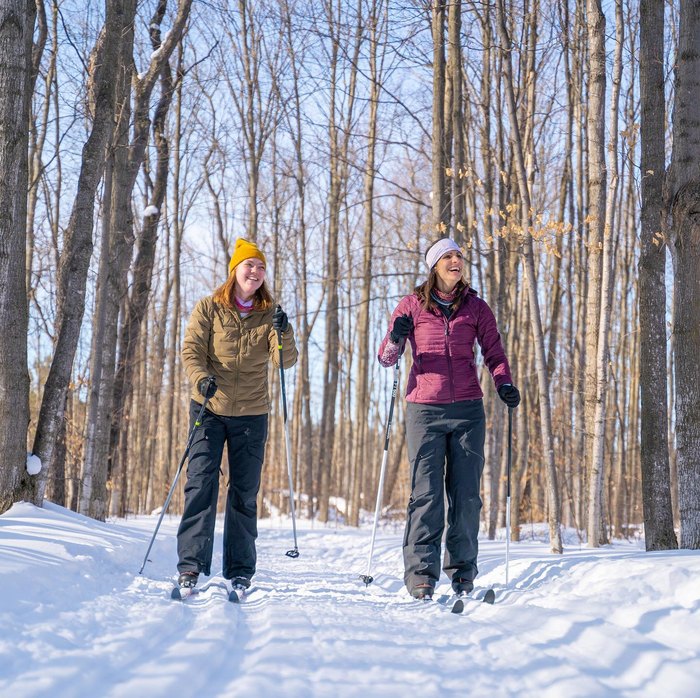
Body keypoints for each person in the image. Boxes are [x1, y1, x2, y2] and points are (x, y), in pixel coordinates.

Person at [377, 237, 520, 600]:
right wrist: (395, 337)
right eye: (448, 256)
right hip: (424, 409)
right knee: (426, 494)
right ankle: (421, 575)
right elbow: (386, 358)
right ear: (435, 265)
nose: (456, 261)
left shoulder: (476, 307)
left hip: (468, 410)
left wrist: (503, 383)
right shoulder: (411, 305)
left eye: (459, 255)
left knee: (467, 495)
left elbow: (494, 352)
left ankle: (462, 572)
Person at [175, 237, 298, 594]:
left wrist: (284, 331)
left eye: (261, 267)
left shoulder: (270, 314)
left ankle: (240, 570)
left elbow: (283, 361)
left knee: (244, 493)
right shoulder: (209, 308)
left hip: (251, 413)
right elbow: (192, 350)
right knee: (201, 485)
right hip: (209, 407)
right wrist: (201, 379)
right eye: (250, 266)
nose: (256, 272)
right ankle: (191, 566)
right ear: (235, 270)